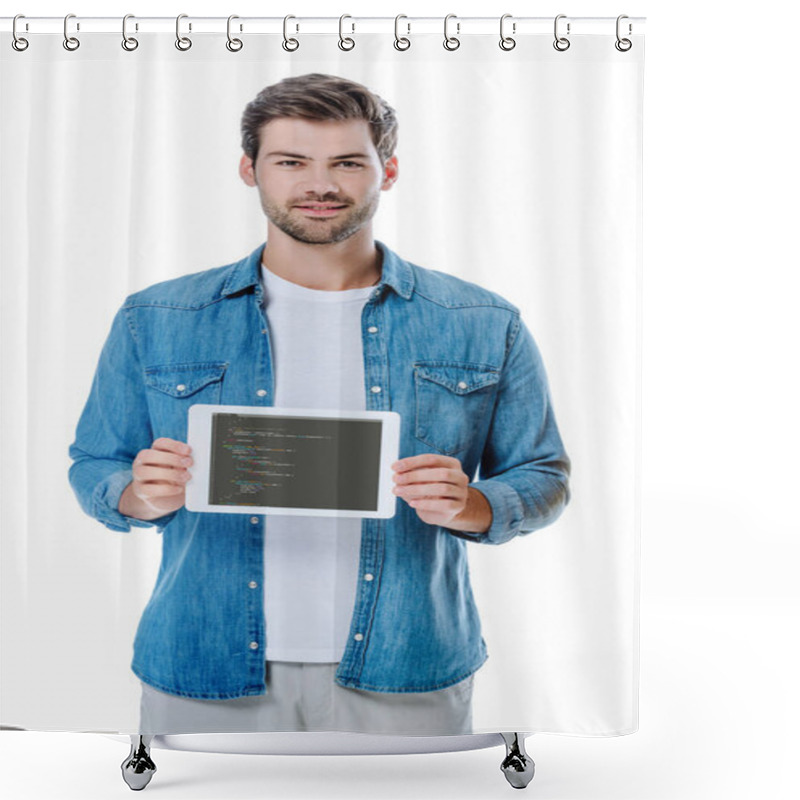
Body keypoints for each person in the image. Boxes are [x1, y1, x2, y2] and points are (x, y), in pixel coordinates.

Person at [68, 73, 571, 737]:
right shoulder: (157, 318)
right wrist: (136, 494)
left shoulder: (481, 321)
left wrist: (474, 505)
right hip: (204, 663)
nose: (320, 185)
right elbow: (93, 461)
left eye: (346, 163)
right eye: (291, 162)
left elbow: (544, 475)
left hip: (407, 665)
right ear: (250, 170)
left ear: (387, 171)